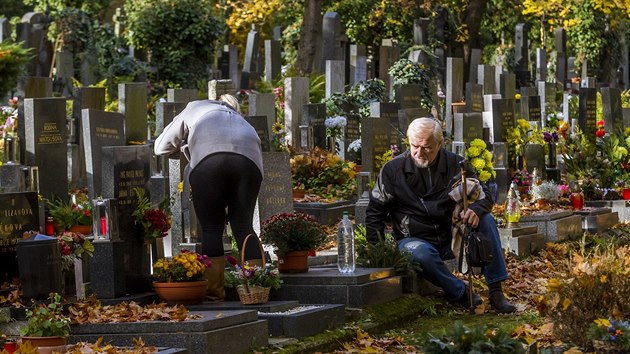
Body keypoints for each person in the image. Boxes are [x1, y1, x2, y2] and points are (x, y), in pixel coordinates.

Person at [365, 117, 516, 313]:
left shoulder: (456, 164)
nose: (419, 153)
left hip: (451, 236)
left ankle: (496, 291)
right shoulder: (393, 170)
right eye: (414, 146)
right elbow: (375, 211)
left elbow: (485, 194)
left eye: (426, 147)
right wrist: (376, 253)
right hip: (414, 238)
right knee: (419, 252)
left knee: (485, 219)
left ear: (439, 144)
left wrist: (476, 209)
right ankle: (461, 292)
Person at [154, 94, 264, 301]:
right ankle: (257, 286)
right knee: (243, 227)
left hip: (209, 161)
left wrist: (185, 145)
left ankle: (215, 292)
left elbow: (161, 147)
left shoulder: (193, 108)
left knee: (212, 228)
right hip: (249, 164)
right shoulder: (240, 118)